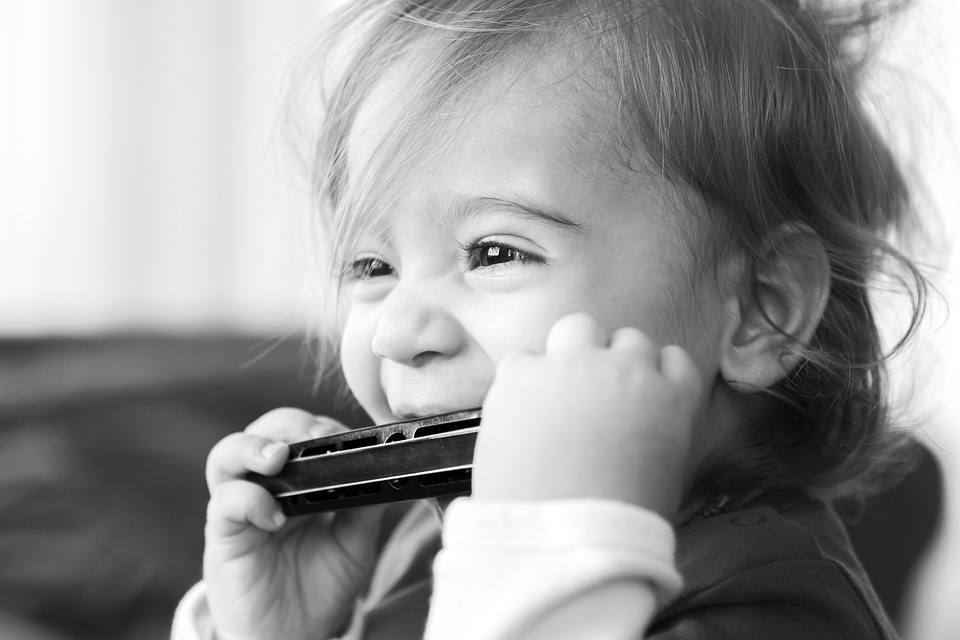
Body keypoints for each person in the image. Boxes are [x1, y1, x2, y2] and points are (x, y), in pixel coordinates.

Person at [172, 0, 931, 638]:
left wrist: (543, 557)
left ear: (762, 309)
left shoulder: (773, 605)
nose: (399, 333)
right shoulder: (414, 545)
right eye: (373, 268)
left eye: (495, 251)